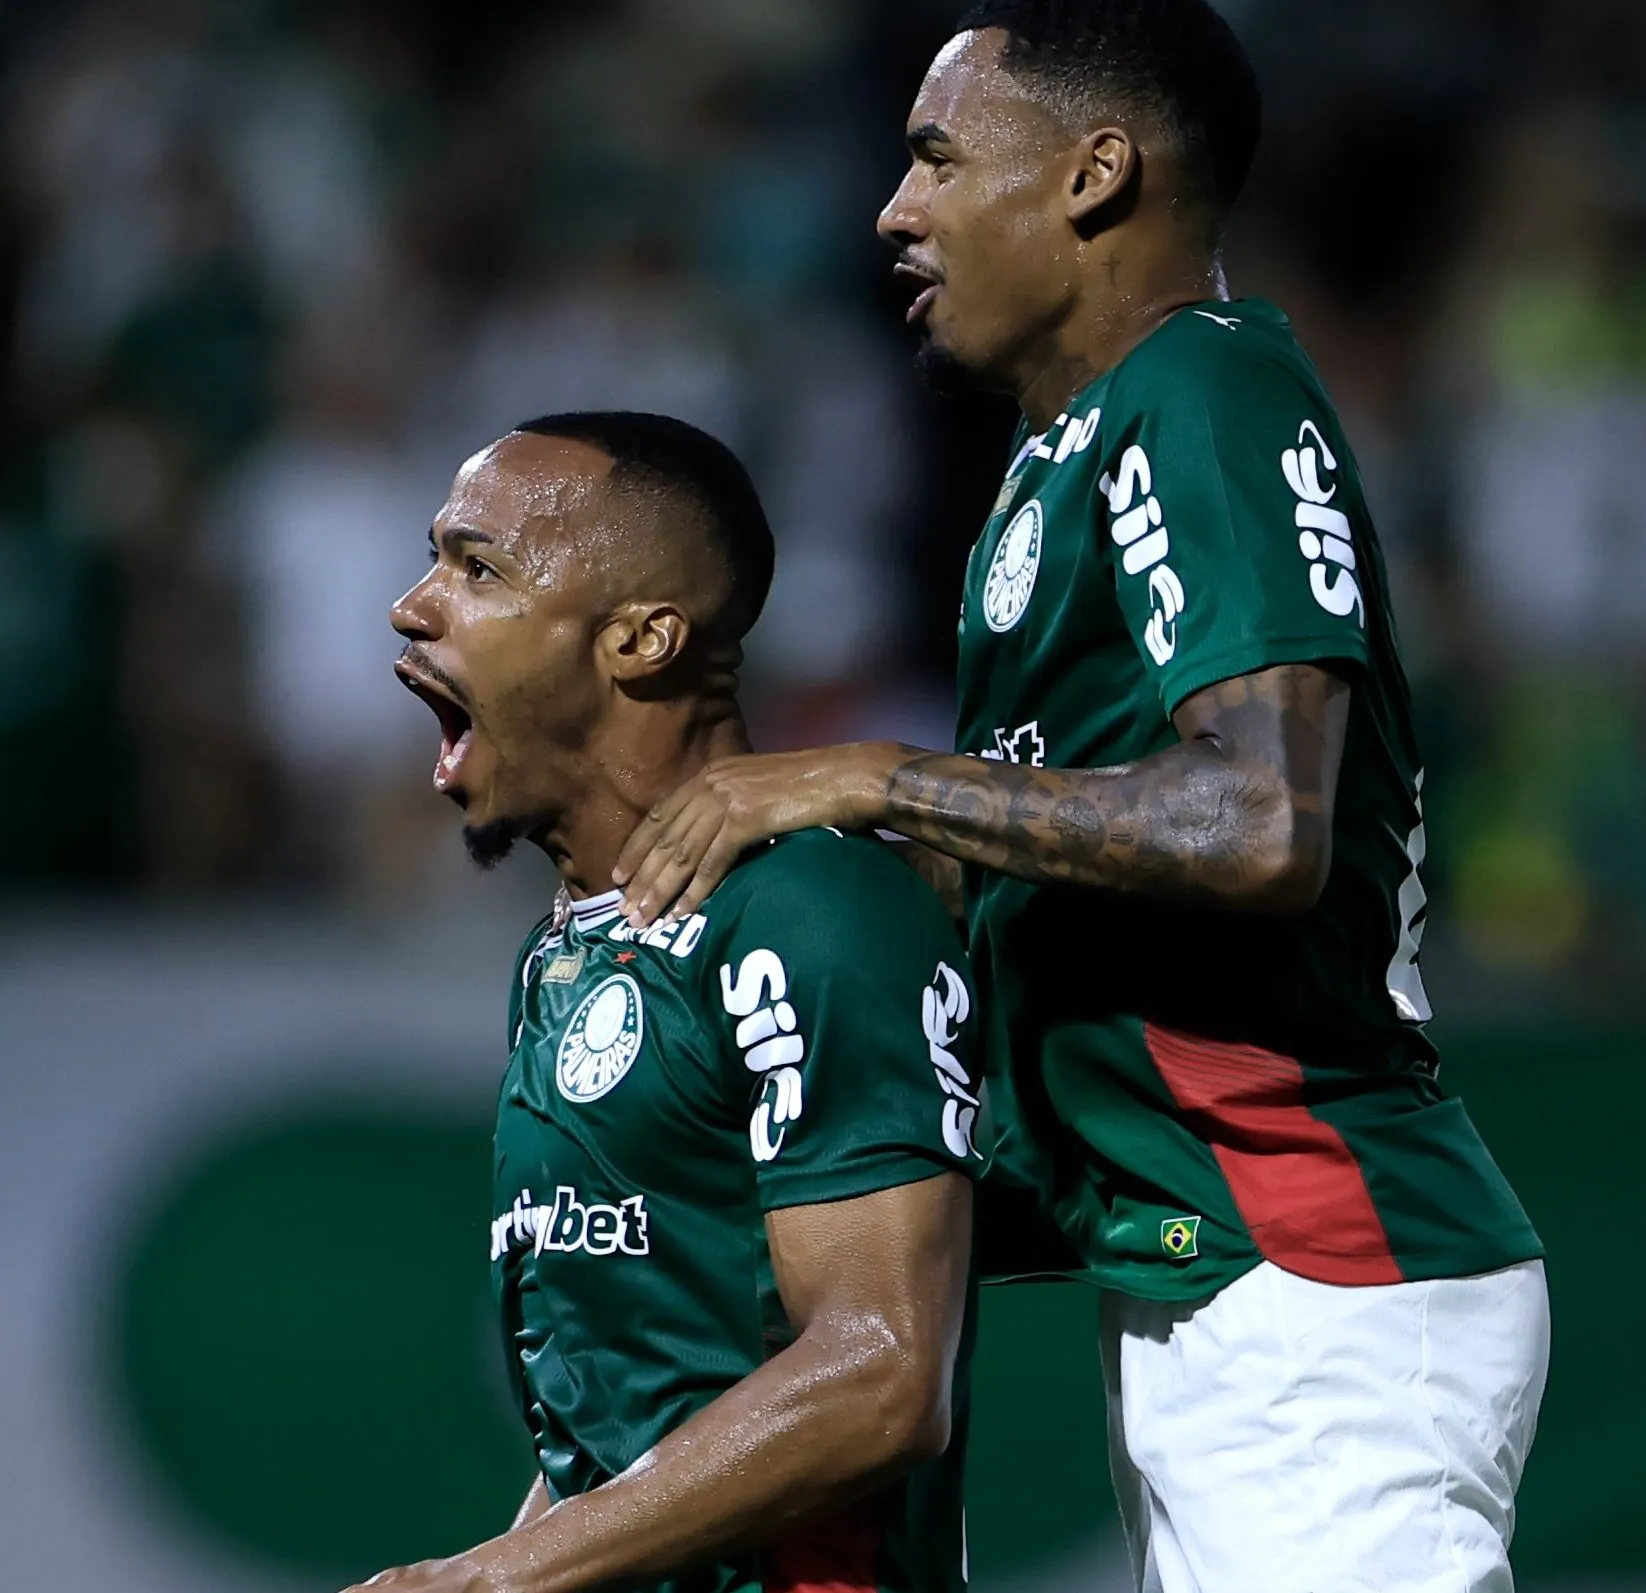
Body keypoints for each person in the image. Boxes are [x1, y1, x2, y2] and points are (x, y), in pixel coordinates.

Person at [611, 4, 1549, 1589]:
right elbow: (1064, 880)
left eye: (935, 156)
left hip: (1309, 1253)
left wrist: (883, 777)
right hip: (1217, 1266)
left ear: (1095, 176)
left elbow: (1260, 822)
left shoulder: (1202, 397)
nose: (894, 209)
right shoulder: (1062, 463)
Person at [353, 413, 984, 1593]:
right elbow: (620, 1434)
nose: (412, 605)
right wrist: (504, 1562)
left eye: (477, 568)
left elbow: (884, 1374)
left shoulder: (808, 909)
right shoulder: (563, 959)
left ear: (642, 638)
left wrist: (499, 1581)